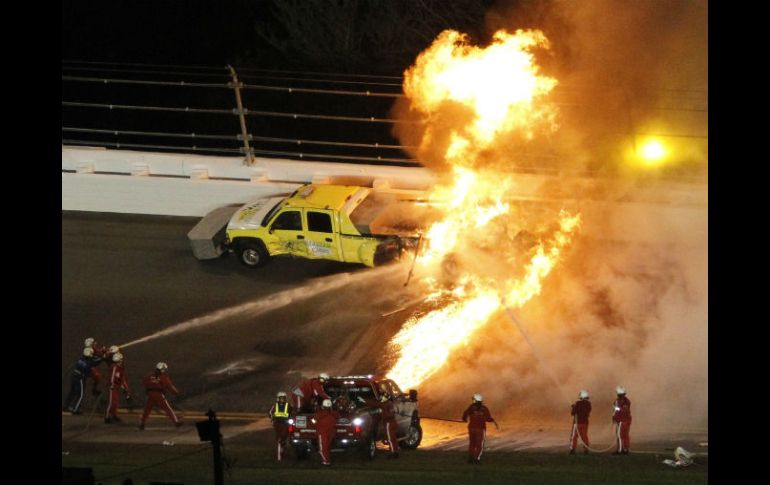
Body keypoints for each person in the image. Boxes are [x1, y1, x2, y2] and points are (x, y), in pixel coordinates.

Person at [139, 362, 182, 430]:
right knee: (168, 409)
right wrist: (177, 394)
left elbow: (144, 382)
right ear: (162, 369)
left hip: (150, 395)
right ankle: (176, 422)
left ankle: (142, 424)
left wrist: (149, 389)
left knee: (147, 410)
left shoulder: (149, 376)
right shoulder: (163, 377)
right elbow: (170, 386)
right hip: (159, 395)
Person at [461, 393, 499, 464]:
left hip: (471, 428)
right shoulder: (484, 409)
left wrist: (464, 419)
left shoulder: (471, 407)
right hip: (480, 429)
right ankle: (476, 459)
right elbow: (488, 418)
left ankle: (471, 458)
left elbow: (465, 414)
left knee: (472, 443)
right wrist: (492, 420)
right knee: (479, 444)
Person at [64, 347, 101, 414]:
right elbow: (95, 362)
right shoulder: (89, 362)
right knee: (80, 394)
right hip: (80, 378)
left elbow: (93, 361)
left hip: (74, 375)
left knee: (72, 392)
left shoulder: (81, 358)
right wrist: (102, 357)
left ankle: (65, 406)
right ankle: (75, 409)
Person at [104, 352, 131, 423]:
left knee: (116, 402)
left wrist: (126, 390)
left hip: (116, 387)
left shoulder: (120, 368)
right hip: (112, 388)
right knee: (110, 403)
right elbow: (112, 377)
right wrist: (112, 385)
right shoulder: (114, 367)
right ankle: (107, 417)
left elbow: (122, 380)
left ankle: (114, 415)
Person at [268, 391, 294, 461]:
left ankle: (288, 440)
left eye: (283, 398)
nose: (282, 399)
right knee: (278, 436)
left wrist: (291, 418)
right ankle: (280, 447)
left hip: (285, 423)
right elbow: (270, 412)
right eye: (281, 398)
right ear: (278, 398)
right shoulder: (275, 405)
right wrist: (272, 418)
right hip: (277, 422)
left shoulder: (289, 405)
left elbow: (293, 412)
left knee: (286, 433)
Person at [314, 398, 340, 466]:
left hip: (322, 433)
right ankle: (327, 460)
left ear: (323, 406)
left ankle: (326, 461)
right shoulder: (335, 413)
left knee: (322, 449)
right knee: (327, 447)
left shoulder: (320, 413)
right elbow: (338, 418)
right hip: (331, 432)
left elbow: (314, 421)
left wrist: (312, 422)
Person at [569, 390, 591, 454]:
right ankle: (586, 449)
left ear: (581, 396)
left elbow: (573, 413)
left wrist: (573, 407)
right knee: (584, 436)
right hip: (585, 423)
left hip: (577, 423)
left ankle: (573, 449)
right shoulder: (588, 404)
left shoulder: (577, 403)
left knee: (574, 436)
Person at [612, 386, 632, 454]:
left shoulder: (621, 401)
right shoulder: (625, 400)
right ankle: (625, 449)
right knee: (625, 435)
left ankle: (620, 450)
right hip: (626, 420)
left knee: (619, 435)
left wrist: (616, 410)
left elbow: (621, 410)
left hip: (622, 420)